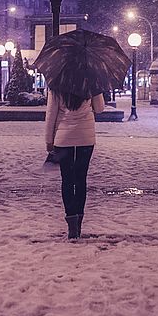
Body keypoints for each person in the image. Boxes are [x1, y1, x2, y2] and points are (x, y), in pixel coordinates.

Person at [45, 87, 105, 240]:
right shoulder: (90, 82)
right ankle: (78, 223)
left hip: (63, 138)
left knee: (67, 180)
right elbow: (99, 109)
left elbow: (51, 115)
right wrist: (96, 90)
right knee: (80, 180)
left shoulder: (57, 84)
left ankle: (71, 223)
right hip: (86, 138)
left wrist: (49, 141)